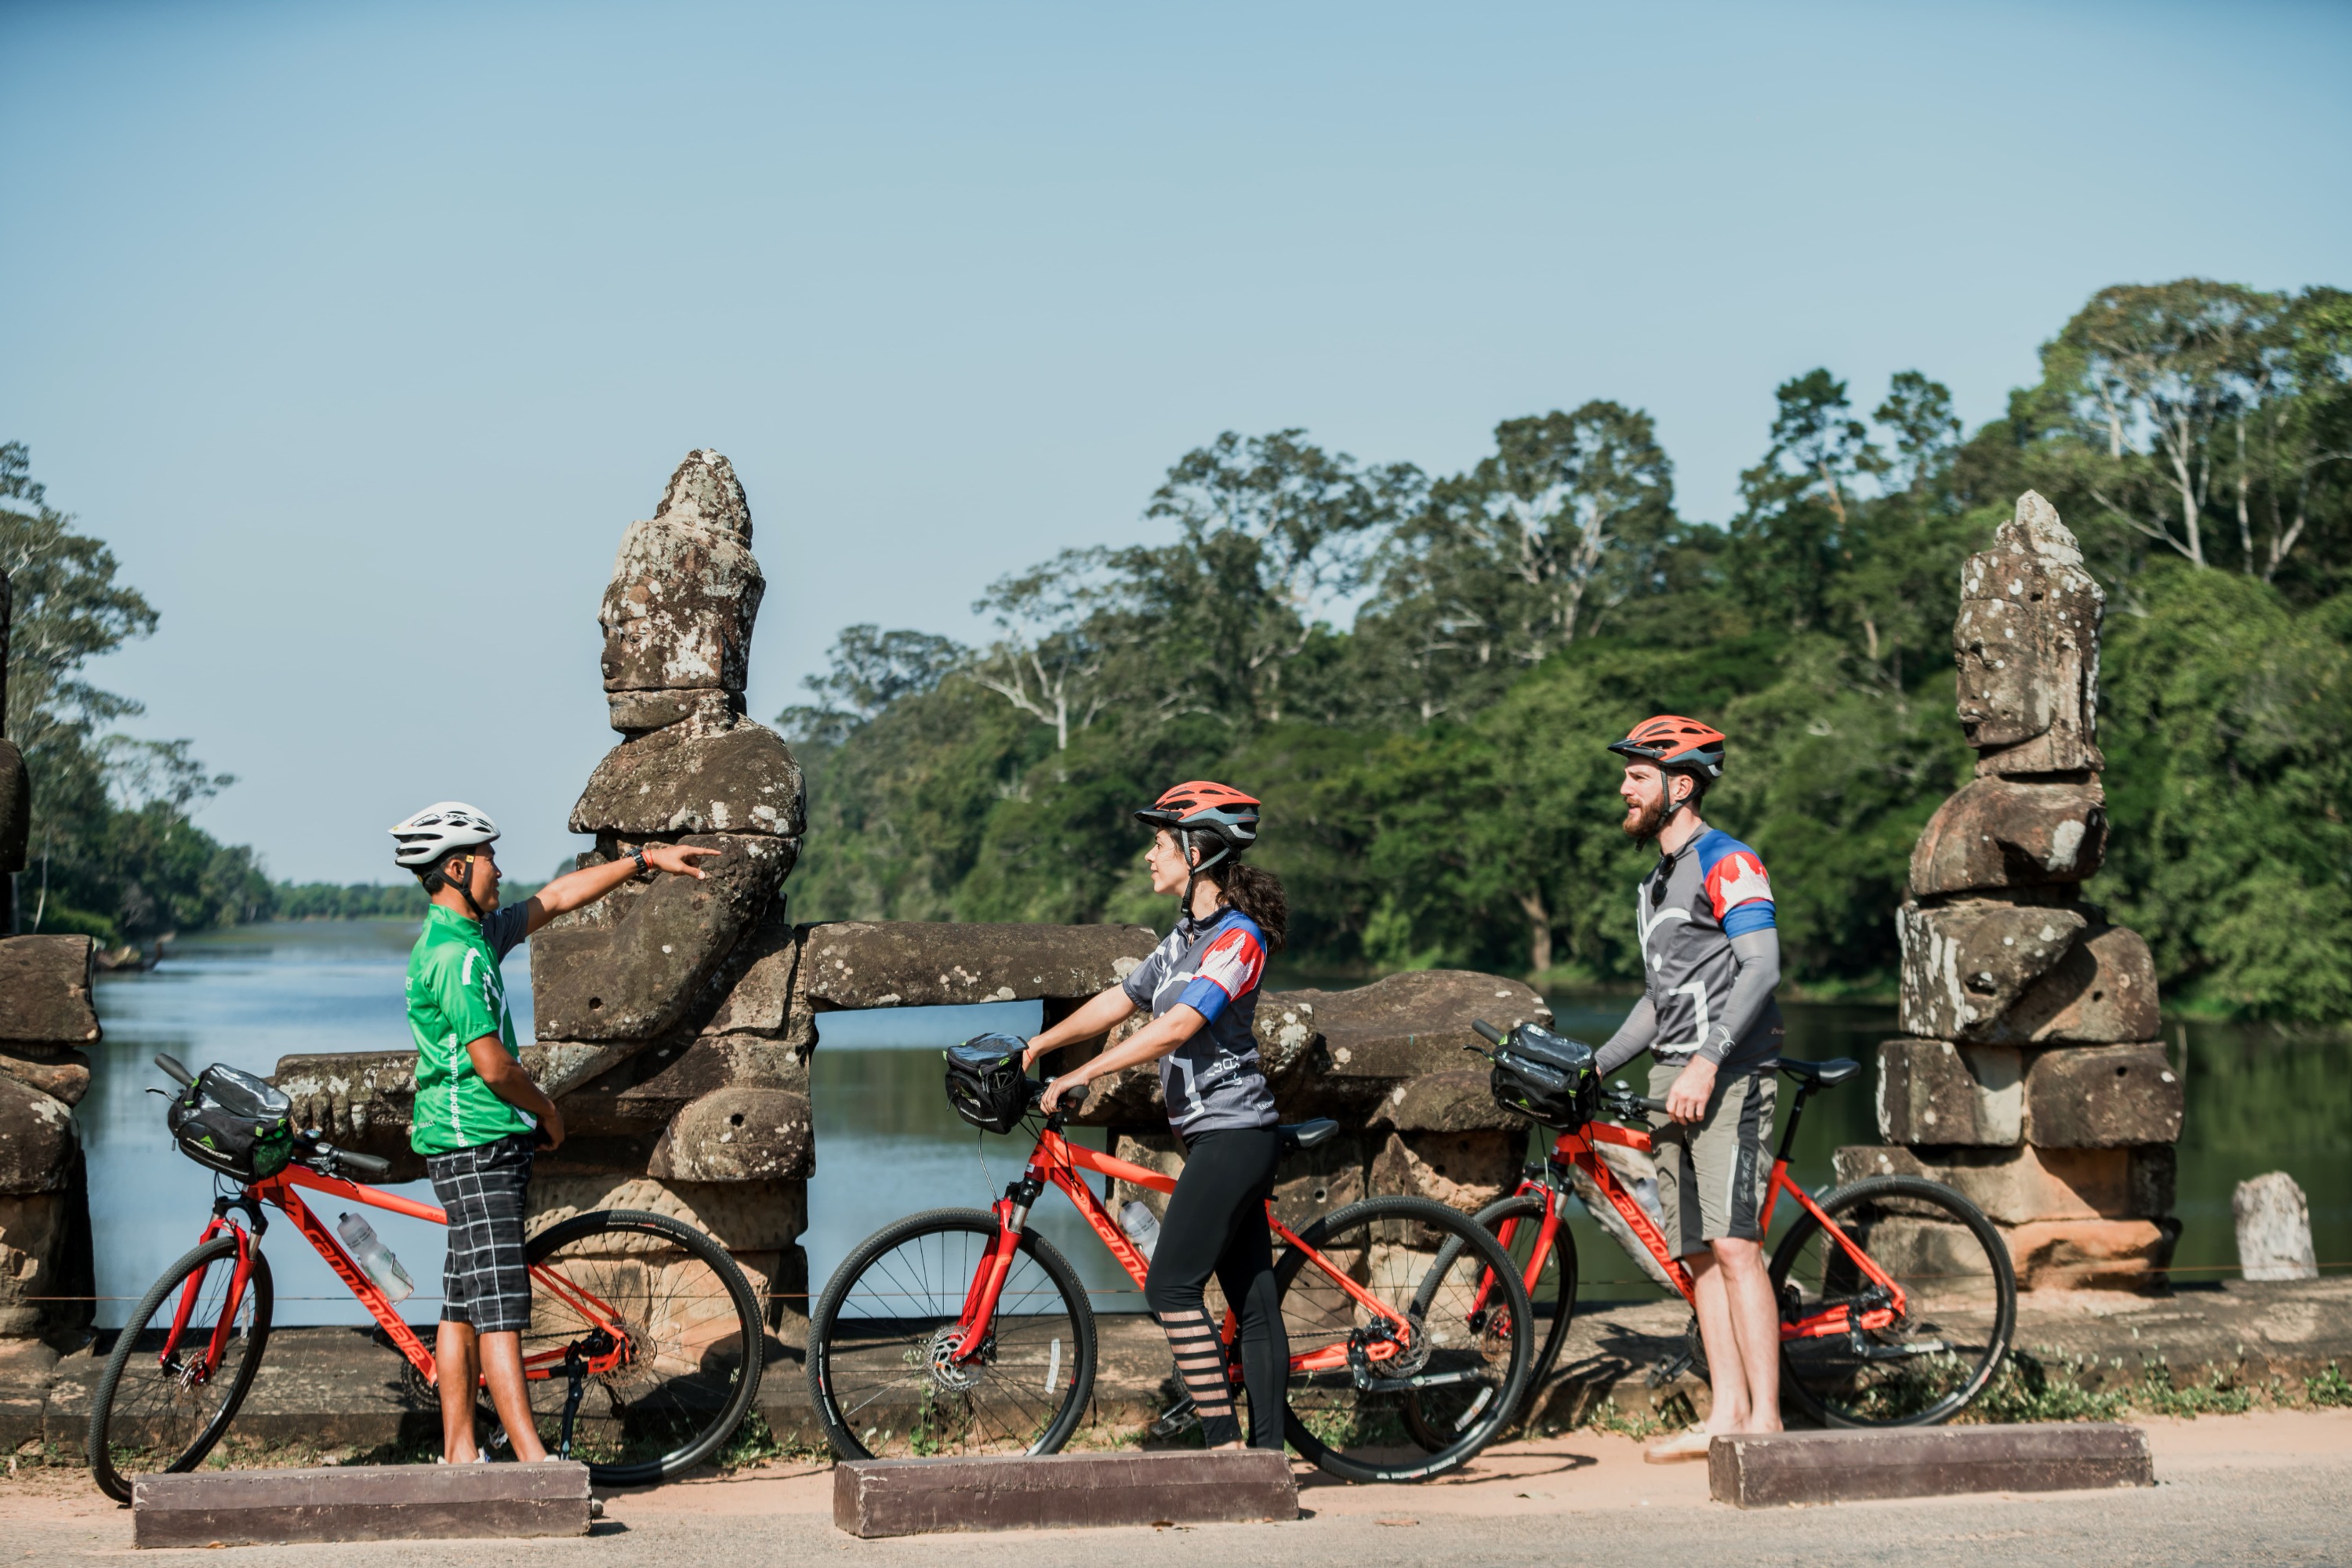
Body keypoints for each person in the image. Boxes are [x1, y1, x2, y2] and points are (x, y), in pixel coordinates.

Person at [388, 801, 717, 1464]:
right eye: (487, 860)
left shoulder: (474, 936)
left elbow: (559, 898)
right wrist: (546, 1109)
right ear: (456, 869)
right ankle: (533, 1462)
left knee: (462, 1301)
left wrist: (646, 860)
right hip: (475, 1143)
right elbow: (494, 1064)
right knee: (504, 1308)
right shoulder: (453, 958)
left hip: (467, 1145)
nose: (498, 870)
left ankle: (460, 1452)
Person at [1019, 781, 1289, 1451]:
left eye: (1161, 843)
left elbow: (1176, 1026)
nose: (1150, 855)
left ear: (1198, 853)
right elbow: (1120, 999)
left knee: (1171, 1287)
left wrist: (1086, 1072)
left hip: (1236, 1133)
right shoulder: (1184, 938)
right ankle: (1268, 1459)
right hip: (1213, 1138)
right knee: (1254, 1306)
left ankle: (1225, 1447)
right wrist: (1039, 1047)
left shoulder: (1238, 938)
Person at [1588, 718, 1788, 1463]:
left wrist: (1707, 1062)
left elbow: (1761, 967)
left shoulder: (1729, 862)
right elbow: (1659, 998)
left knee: (1737, 1246)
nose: (1624, 789)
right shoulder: (1654, 883)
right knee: (1698, 1254)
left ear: (1681, 784)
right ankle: (1726, 1415)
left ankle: (1766, 1421)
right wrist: (1600, 1064)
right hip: (1671, 1076)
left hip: (1728, 1073)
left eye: (1637, 776)